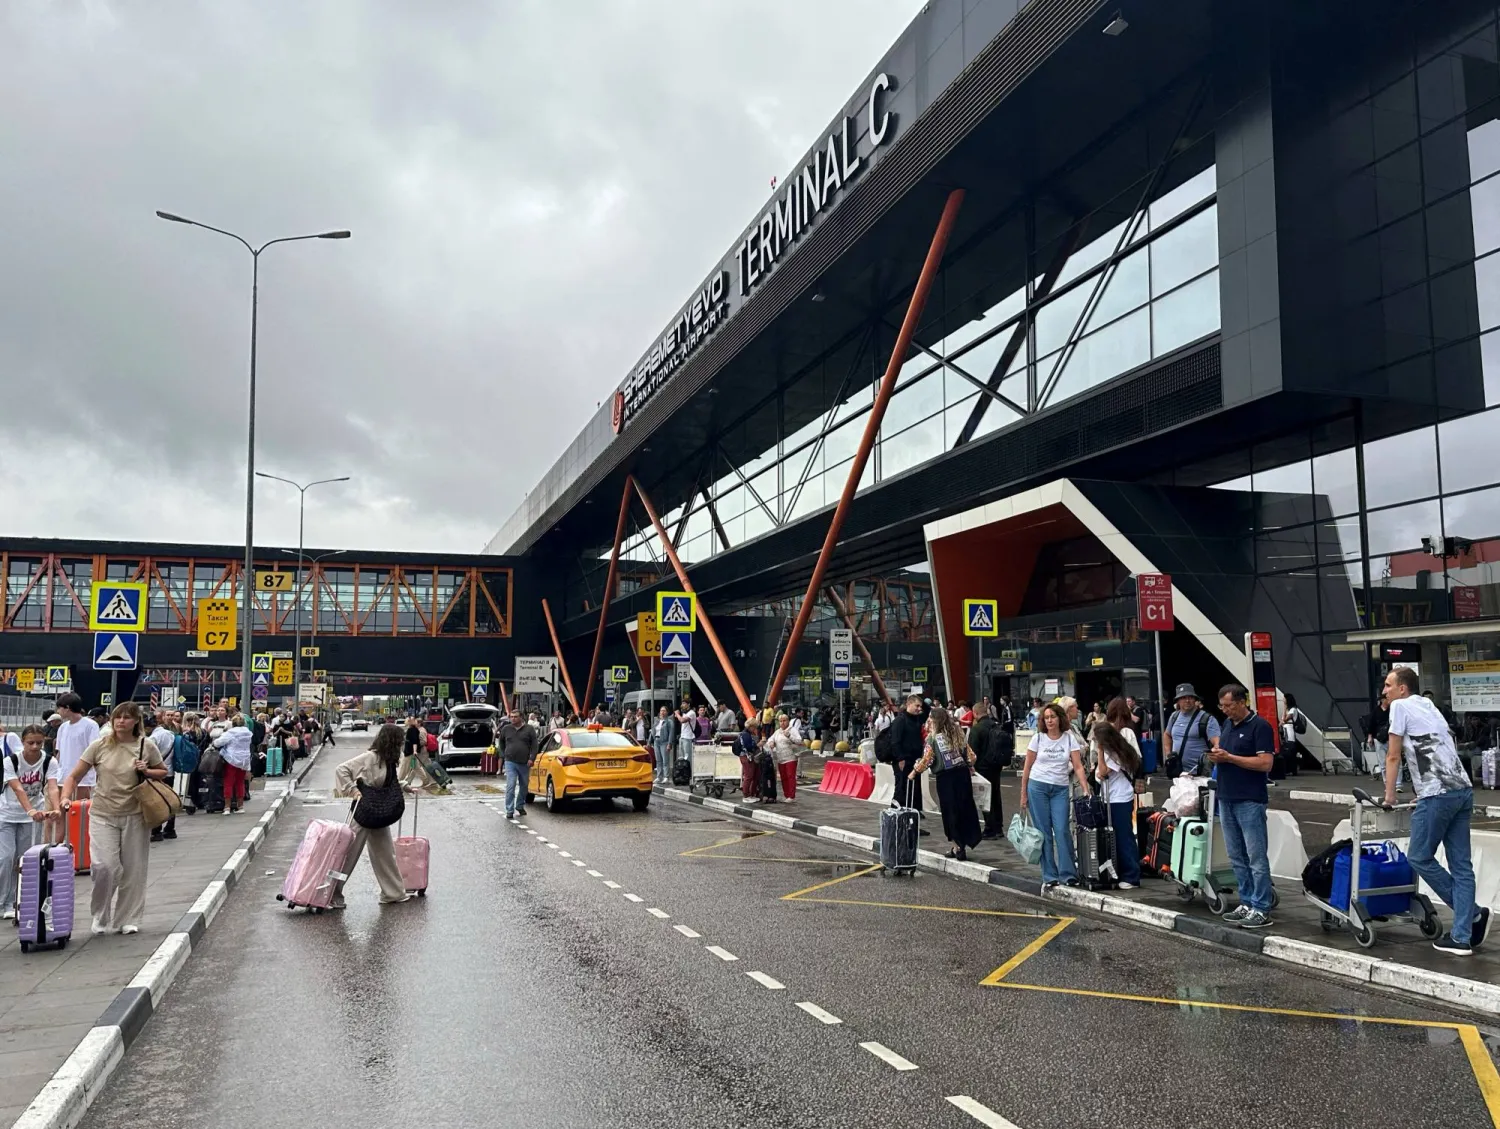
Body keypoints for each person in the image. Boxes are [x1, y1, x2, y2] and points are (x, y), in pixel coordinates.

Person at [1383, 667, 1491, 955]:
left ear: (1402, 688)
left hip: (1437, 793)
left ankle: (1469, 914)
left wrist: (1390, 795)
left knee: (1418, 856)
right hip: (1461, 789)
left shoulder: (1399, 707)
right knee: (1462, 866)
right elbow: (1441, 745)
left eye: (1388, 685)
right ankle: (1462, 936)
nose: (1385, 691)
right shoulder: (1427, 705)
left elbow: (1393, 755)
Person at [58, 702, 169, 935]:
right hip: (102, 813)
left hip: (136, 814)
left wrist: (147, 770)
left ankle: (127, 918)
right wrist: (66, 798)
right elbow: (74, 776)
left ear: (136, 722)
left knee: (133, 869)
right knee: (104, 867)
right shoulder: (99, 746)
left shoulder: (145, 745)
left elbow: (162, 772)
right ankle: (100, 915)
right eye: (118, 717)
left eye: (127, 718)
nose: (121, 721)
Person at [1207, 684, 1276, 929]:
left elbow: (1265, 763)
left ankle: (1261, 906)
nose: (1225, 711)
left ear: (1241, 702)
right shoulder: (1227, 725)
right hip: (1226, 797)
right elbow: (1226, 753)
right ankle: (1246, 901)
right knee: (1236, 856)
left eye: (1229, 706)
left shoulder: (1260, 727)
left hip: (1249, 799)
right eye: (1222, 706)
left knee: (1256, 856)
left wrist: (1230, 758)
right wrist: (1217, 755)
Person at [331, 725, 411, 906]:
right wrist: (352, 790)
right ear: (391, 741)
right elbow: (341, 769)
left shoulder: (388, 759)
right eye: (399, 740)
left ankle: (393, 893)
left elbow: (389, 781)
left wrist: (404, 785)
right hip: (364, 812)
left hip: (379, 812)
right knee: (348, 855)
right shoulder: (371, 757)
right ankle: (330, 894)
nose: (401, 743)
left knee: (385, 854)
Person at [1020, 702, 1091, 892]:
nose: (1050, 721)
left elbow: (1077, 766)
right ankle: (1049, 875)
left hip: (1060, 789)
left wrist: (1085, 788)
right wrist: (1023, 793)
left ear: (1060, 718)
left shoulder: (1069, 739)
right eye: (1046, 718)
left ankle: (1068, 874)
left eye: (1053, 717)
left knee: (1062, 830)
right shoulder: (1038, 738)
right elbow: (1027, 767)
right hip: (1038, 787)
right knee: (1043, 833)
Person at [0, 725, 61, 919]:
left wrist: (56, 807)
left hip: (31, 818)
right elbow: (17, 788)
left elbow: (52, 787)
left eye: (39, 743)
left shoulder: (49, 761)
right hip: (7, 814)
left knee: (23, 860)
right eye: (30, 743)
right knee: (5, 858)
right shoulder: (11, 761)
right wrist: (30, 809)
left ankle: (20, 900)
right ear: (23, 741)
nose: (35, 747)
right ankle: (5, 902)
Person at [909, 706, 981, 861]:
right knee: (964, 809)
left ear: (936, 720)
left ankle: (957, 847)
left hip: (946, 778)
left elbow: (927, 760)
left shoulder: (932, 739)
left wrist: (914, 771)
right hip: (962, 776)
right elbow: (971, 757)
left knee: (950, 812)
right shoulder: (958, 734)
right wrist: (968, 765)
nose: (928, 720)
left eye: (930, 718)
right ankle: (964, 843)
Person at [1091, 718, 1142, 889]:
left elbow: (1103, 772)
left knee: (1123, 836)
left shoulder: (1116, 753)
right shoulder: (1115, 751)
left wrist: (1099, 752)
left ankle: (1131, 875)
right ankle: (1120, 871)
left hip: (1119, 798)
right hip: (1111, 797)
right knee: (1114, 836)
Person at [889, 695, 930, 828]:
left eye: (920, 706)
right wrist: (900, 758)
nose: (920, 709)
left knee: (914, 792)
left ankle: (913, 824)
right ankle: (896, 821)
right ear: (909, 704)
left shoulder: (917, 719)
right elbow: (895, 742)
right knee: (902, 790)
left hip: (915, 761)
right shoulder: (900, 721)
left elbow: (928, 711)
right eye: (916, 706)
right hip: (903, 761)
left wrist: (920, 700)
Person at [53, 693, 99, 809]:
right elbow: (59, 752)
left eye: (59, 708)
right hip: (63, 777)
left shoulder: (90, 725)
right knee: (61, 812)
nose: (58, 711)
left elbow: (95, 751)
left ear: (68, 708)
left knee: (80, 812)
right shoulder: (63, 727)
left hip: (83, 779)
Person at [1162, 683, 1219, 776]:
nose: (1187, 700)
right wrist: (1168, 754)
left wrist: (1215, 755)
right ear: (1178, 701)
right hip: (1177, 773)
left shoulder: (1207, 719)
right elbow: (1167, 735)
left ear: (1195, 700)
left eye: (1190, 697)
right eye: (1183, 697)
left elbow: (1217, 743)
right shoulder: (1174, 716)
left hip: (1199, 774)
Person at [967, 707, 1006, 839]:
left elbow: (972, 752)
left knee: (985, 797)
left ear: (975, 713)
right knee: (996, 795)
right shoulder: (996, 725)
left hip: (982, 767)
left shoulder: (977, 729)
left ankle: (990, 829)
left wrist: (970, 767)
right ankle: (999, 827)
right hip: (996, 765)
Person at [498, 708, 539, 820]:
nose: (513, 719)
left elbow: (535, 745)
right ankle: (509, 810)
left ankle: (519, 805)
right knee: (510, 785)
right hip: (510, 761)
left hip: (525, 762)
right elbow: (501, 742)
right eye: (511, 716)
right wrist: (503, 754)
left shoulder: (529, 729)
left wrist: (532, 758)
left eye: (515, 716)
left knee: (524, 785)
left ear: (521, 717)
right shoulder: (506, 729)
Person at [211, 714, 254, 815]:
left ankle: (227, 807)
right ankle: (240, 806)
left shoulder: (230, 732)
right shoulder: (248, 733)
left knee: (228, 783)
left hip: (231, 759)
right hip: (244, 760)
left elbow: (218, 743)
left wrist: (214, 743)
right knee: (240, 783)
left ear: (233, 724)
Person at [147, 713, 178, 842]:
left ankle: (156, 831)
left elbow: (148, 756)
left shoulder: (153, 738)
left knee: (156, 802)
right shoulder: (169, 734)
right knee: (169, 799)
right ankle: (170, 828)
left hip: (156, 773)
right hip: (170, 771)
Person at [766, 713, 803, 801]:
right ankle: (786, 795)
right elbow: (770, 739)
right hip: (780, 758)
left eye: (784, 721)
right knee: (783, 777)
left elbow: (799, 740)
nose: (782, 723)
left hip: (790, 757)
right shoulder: (777, 731)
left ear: (788, 721)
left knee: (790, 777)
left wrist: (789, 736)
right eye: (780, 721)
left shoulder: (792, 730)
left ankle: (791, 796)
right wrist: (771, 742)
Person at [736, 719, 762, 803]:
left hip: (744, 756)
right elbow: (749, 747)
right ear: (751, 726)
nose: (755, 729)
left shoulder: (744, 733)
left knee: (750, 776)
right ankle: (746, 795)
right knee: (748, 776)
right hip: (747, 757)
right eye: (754, 727)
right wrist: (758, 745)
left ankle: (749, 794)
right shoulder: (746, 734)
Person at [651, 706, 677, 784]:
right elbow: (652, 730)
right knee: (658, 760)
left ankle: (666, 776)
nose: (662, 712)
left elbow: (671, 734)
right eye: (661, 710)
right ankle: (659, 776)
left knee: (665, 760)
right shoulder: (657, 721)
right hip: (656, 741)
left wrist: (669, 743)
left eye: (664, 711)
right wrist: (650, 741)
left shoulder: (669, 722)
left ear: (667, 712)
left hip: (664, 742)